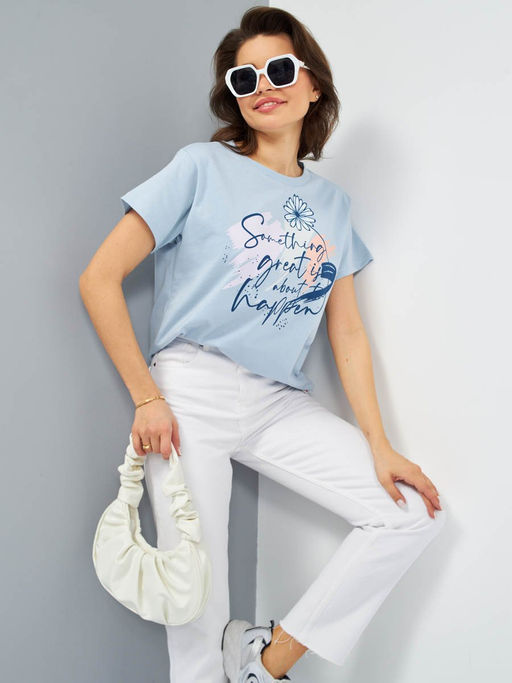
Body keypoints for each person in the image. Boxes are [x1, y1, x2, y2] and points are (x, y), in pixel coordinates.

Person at [79, 7, 446, 683]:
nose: (262, 87)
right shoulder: (200, 167)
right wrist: (148, 398)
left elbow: (346, 331)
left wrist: (380, 444)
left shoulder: (333, 206)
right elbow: (99, 278)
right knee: (196, 609)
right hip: (190, 394)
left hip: (278, 401)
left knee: (411, 515)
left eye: (278, 69)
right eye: (244, 78)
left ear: (313, 85)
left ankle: (265, 659)